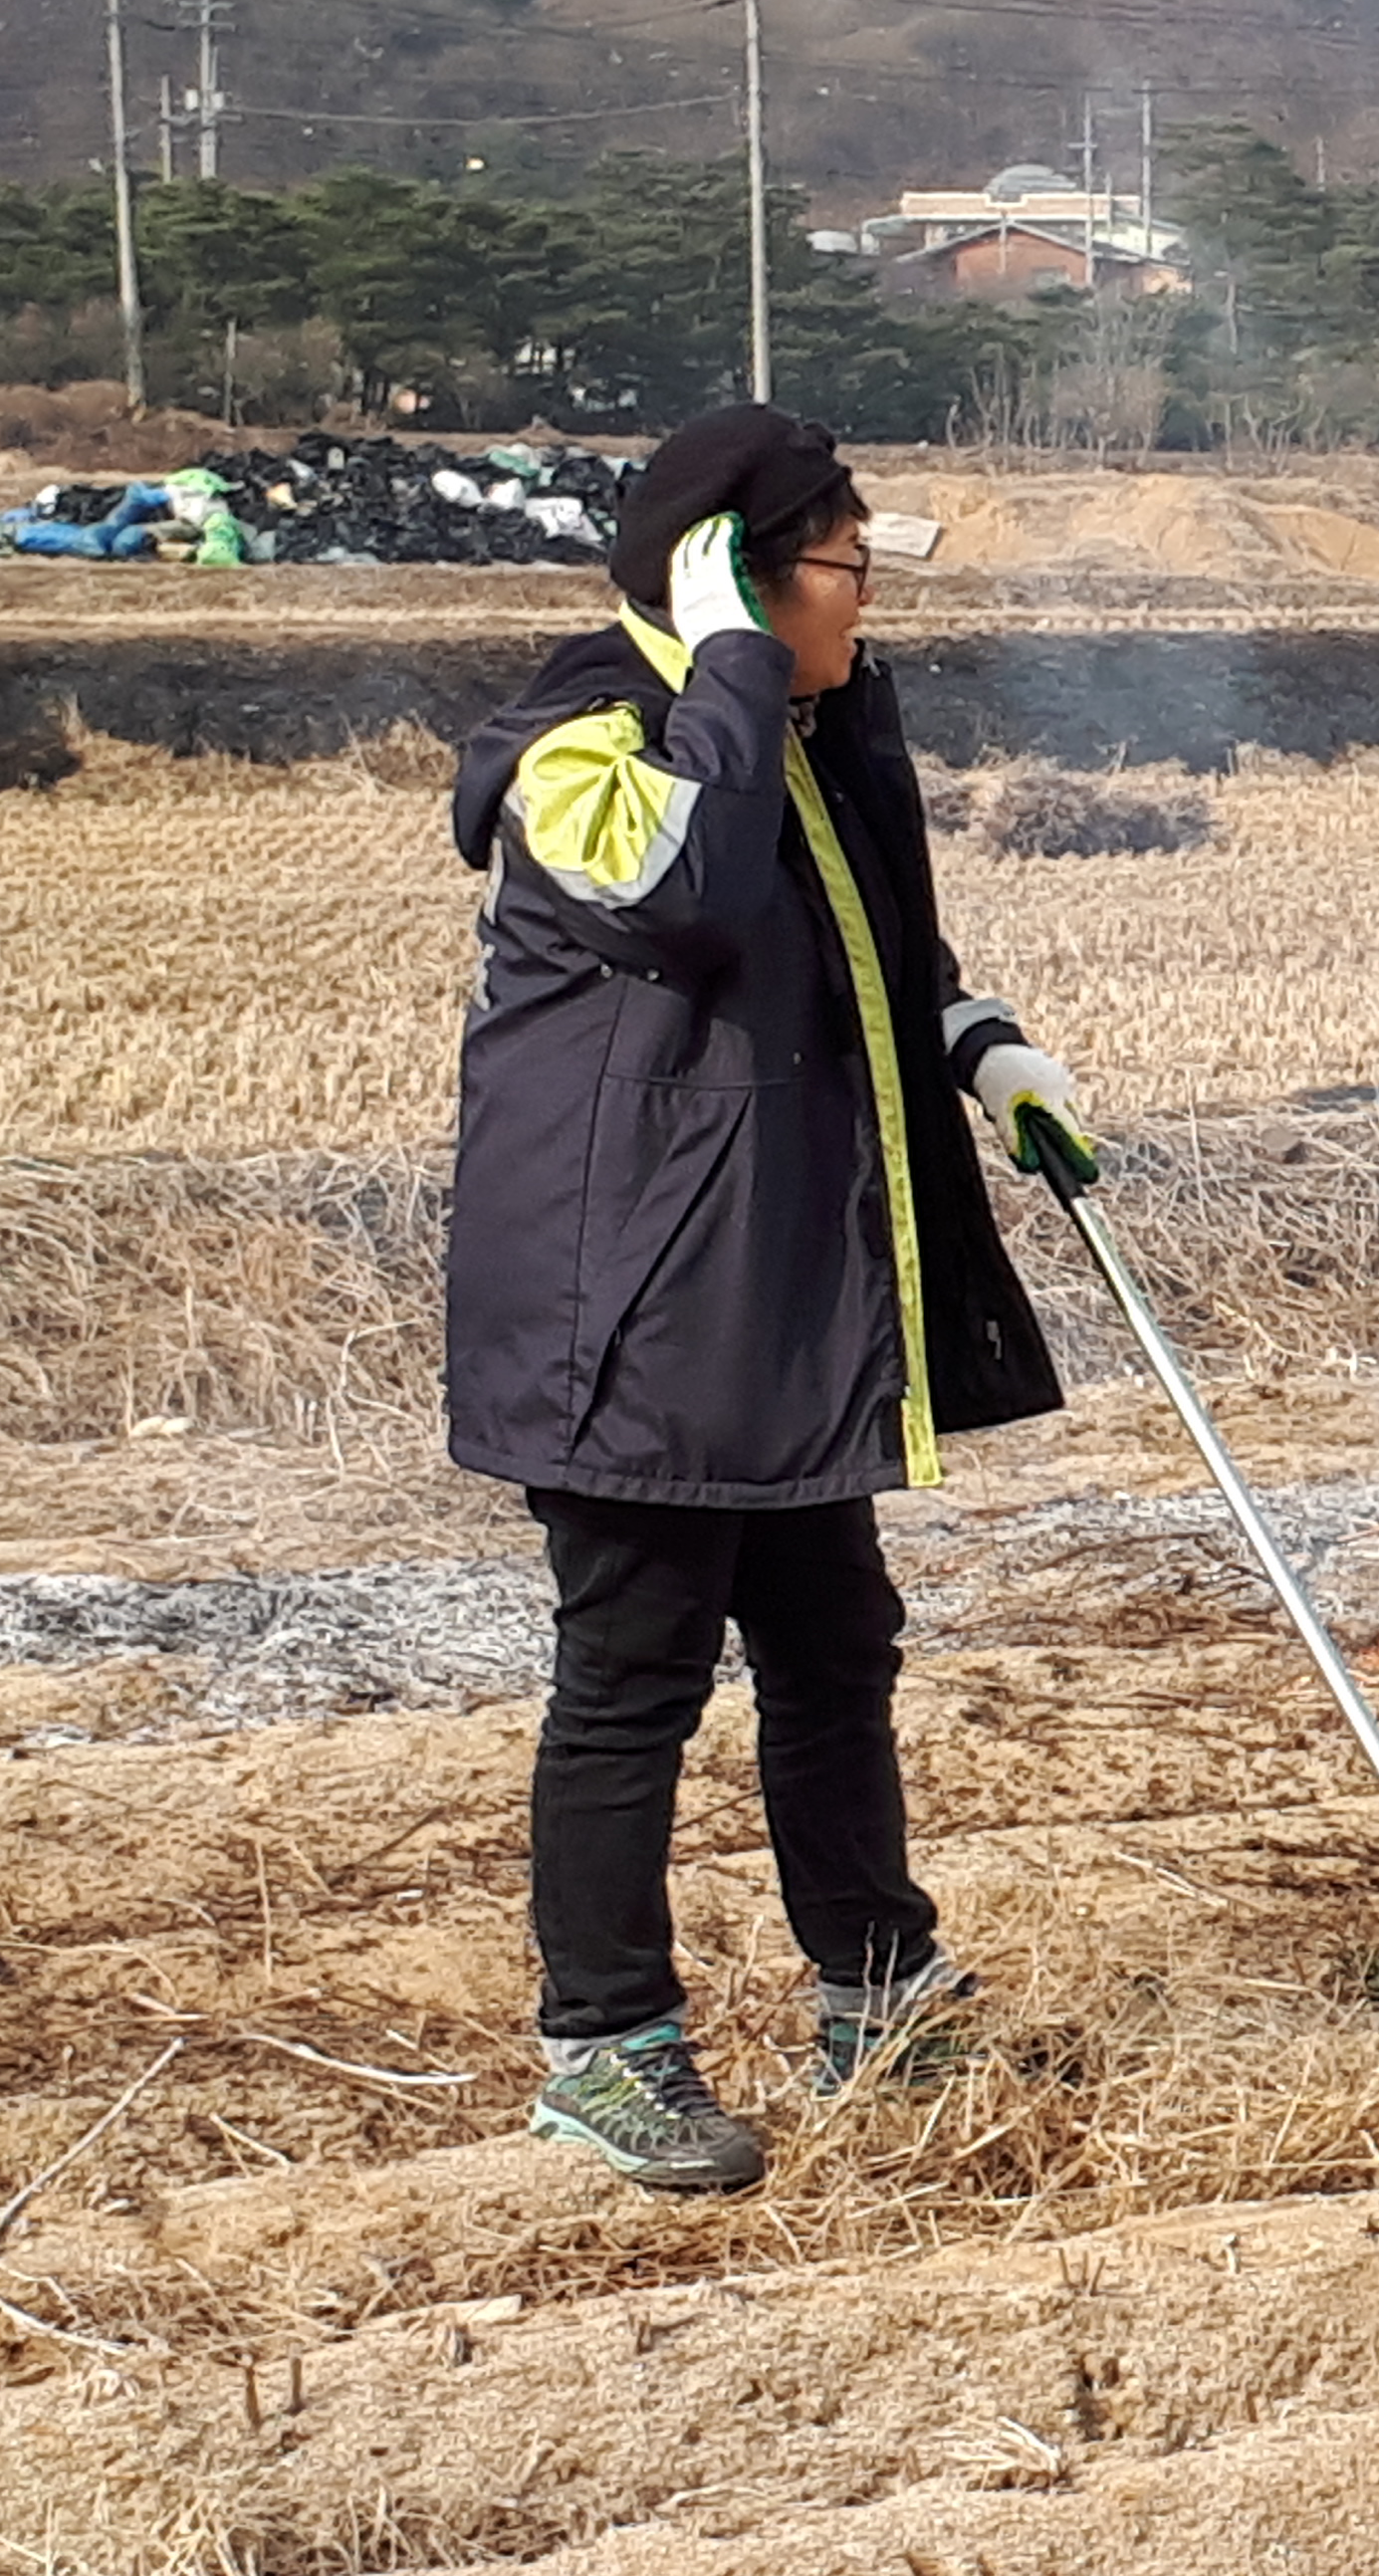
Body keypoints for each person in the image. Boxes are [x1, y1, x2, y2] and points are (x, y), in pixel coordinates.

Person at [443, 402, 1090, 2192]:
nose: (866, 602)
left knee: (833, 1646)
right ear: (732, 575)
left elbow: (866, 942)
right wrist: (728, 656)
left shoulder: (790, 741)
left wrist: (981, 1044)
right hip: (636, 1309)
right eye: (843, 568)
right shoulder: (585, 748)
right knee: (631, 1676)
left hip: (782, 1295)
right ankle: (606, 2045)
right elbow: (684, 894)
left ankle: (881, 1991)